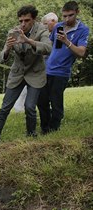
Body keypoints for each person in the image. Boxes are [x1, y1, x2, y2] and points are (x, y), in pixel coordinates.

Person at [0, 5, 52, 149]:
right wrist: (7, 48)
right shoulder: (13, 32)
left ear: (34, 19)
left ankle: (31, 135)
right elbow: (1, 58)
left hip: (35, 74)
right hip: (17, 74)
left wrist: (28, 40)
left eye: (26, 20)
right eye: (21, 21)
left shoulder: (42, 30)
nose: (23, 24)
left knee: (30, 107)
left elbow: (48, 48)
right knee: (4, 108)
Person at [37, 1, 89, 134]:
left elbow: (81, 52)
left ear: (77, 12)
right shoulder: (58, 26)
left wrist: (67, 41)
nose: (67, 19)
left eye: (70, 16)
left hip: (61, 72)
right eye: (64, 16)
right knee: (41, 100)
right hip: (47, 69)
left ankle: (54, 130)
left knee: (56, 102)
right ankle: (45, 128)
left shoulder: (83, 30)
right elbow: (52, 46)